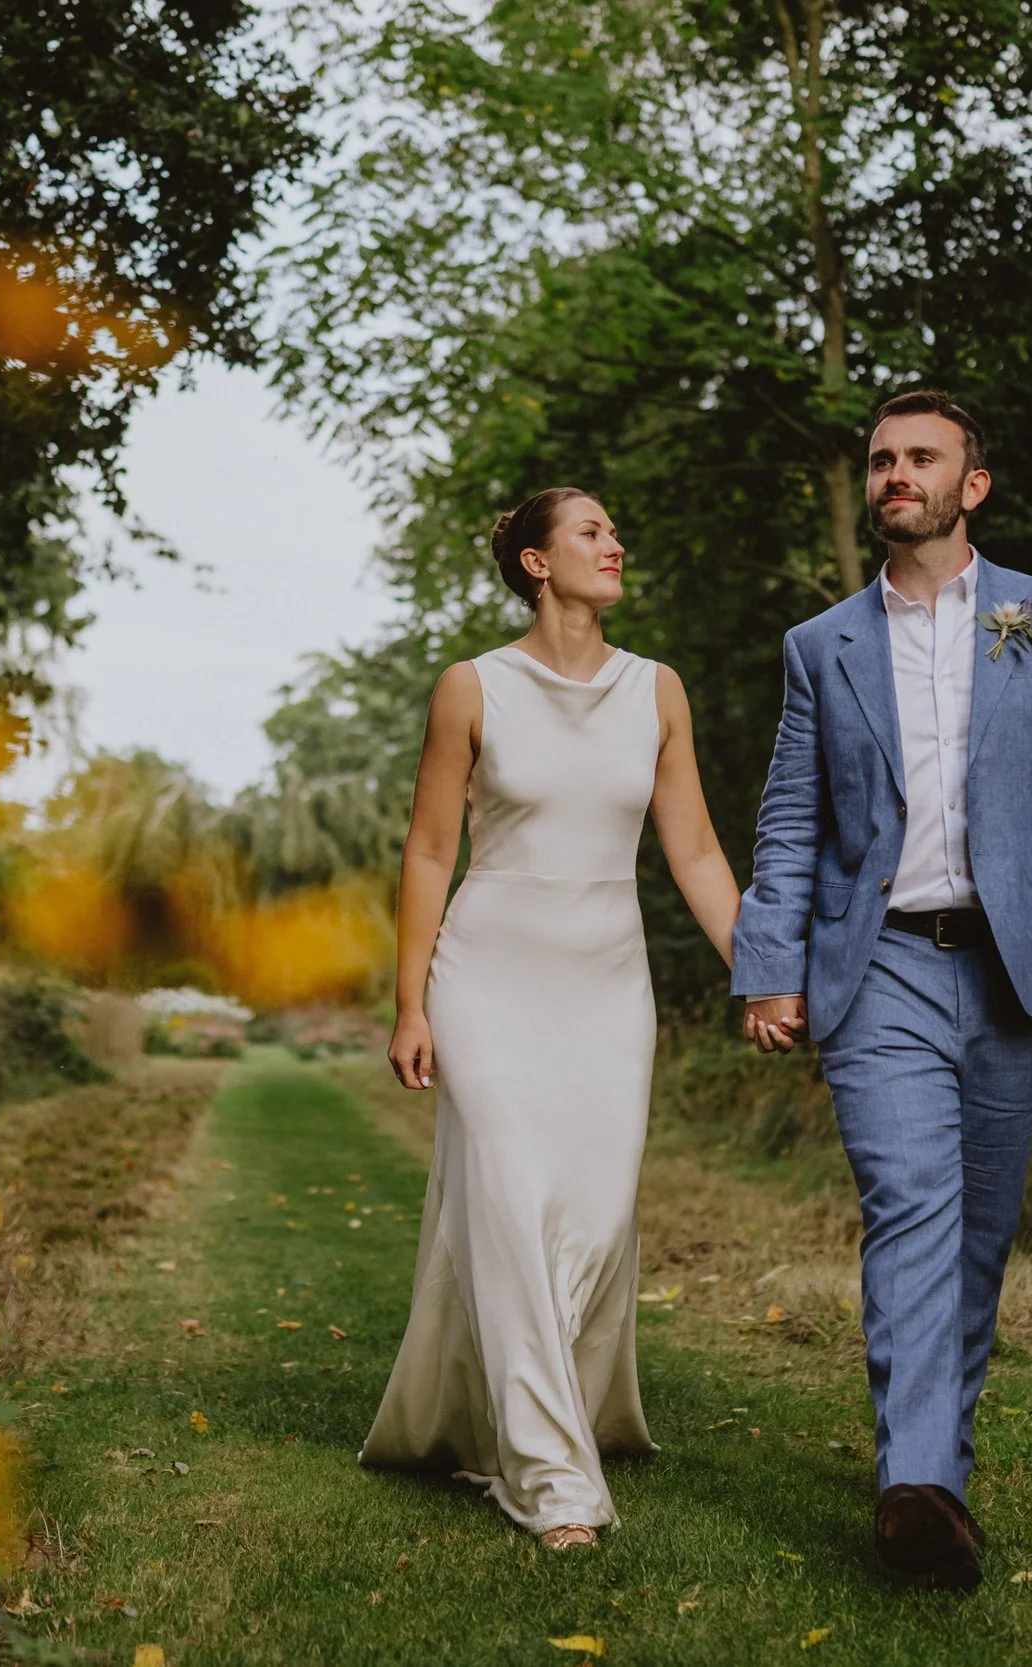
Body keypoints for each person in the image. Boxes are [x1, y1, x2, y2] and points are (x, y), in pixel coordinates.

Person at [733, 389, 1032, 1590]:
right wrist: (769, 965)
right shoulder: (823, 645)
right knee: (913, 1203)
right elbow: (791, 820)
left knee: (980, 1229)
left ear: (973, 485)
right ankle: (912, 1488)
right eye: (880, 460)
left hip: (1018, 966)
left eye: (921, 458)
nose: (894, 475)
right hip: (878, 968)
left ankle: (938, 1474)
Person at [359, 487, 743, 1550]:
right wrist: (409, 1002)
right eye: (591, 531)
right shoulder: (471, 686)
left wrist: (764, 969)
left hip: (608, 991)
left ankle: (513, 1415)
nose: (615, 543)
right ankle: (547, 1475)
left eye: (617, 529)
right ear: (536, 562)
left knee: (593, 1215)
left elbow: (698, 853)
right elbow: (431, 850)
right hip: (486, 979)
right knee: (513, 1204)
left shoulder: (656, 691)